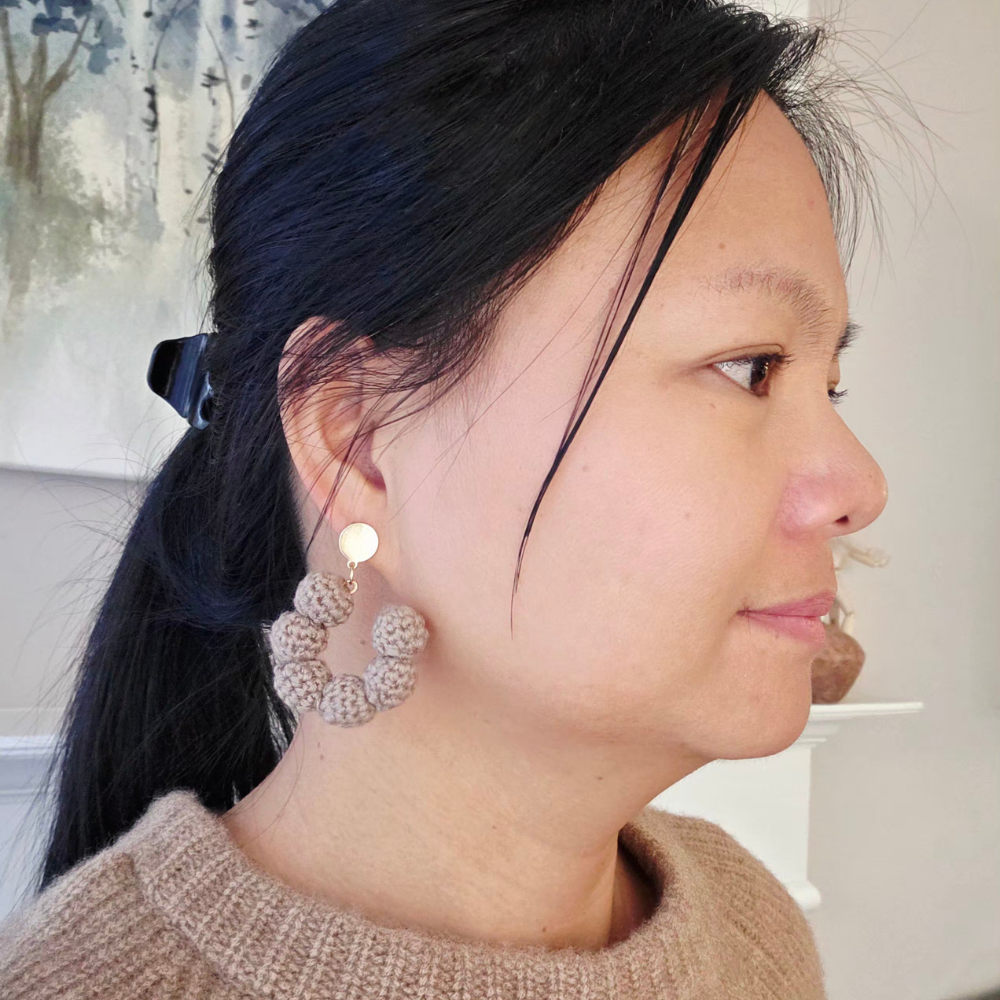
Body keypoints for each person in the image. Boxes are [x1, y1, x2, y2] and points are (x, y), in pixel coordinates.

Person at [0, 1, 890, 997]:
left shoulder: (753, 935)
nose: (860, 486)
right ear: (360, 439)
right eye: (749, 366)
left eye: (829, 385)